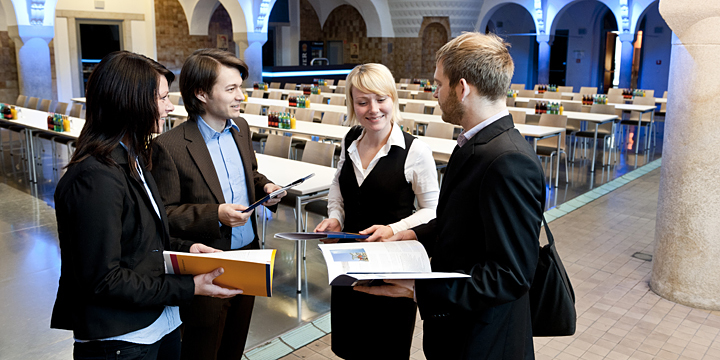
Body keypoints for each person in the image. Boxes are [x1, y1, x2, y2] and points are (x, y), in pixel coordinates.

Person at [355, 33, 546, 360]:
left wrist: (418, 288)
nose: (436, 93)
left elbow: (510, 276)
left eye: (439, 84)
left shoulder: (508, 161)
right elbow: (459, 221)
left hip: (484, 339)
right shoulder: (475, 143)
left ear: (462, 88)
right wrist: (409, 234)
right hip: (457, 331)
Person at [51, 51, 242, 360]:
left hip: (157, 323)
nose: (170, 107)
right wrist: (189, 287)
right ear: (130, 101)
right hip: (121, 339)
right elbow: (103, 279)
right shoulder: (94, 178)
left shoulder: (134, 158)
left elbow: (142, 238)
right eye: (161, 98)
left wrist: (186, 248)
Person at [150, 48, 285, 360]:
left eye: (241, 87)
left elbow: (248, 173)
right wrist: (217, 215)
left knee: (235, 343)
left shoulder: (241, 130)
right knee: (203, 346)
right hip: (207, 261)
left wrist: (265, 186)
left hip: (249, 254)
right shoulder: (169, 147)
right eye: (231, 89)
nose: (241, 96)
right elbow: (164, 215)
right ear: (201, 94)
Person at [314, 63, 439, 359]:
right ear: (352, 104)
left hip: (392, 267)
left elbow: (433, 211)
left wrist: (394, 229)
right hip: (348, 262)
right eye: (362, 101)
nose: (373, 109)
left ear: (393, 99)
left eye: (381, 99)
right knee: (350, 347)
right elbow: (338, 187)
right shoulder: (350, 141)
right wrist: (336, 217)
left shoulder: (414, 151)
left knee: (386, 350)